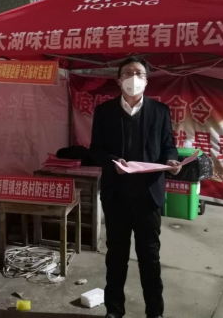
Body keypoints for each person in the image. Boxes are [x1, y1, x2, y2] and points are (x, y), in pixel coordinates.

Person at [90, 56, 181, 318]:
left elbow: (168, 145)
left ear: (146, 81)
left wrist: (171, 160)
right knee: (116, 256)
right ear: (118, 80)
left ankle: (155, 313)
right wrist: (112, 162)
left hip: (148, 197)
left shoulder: (160, 111)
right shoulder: (104, 111)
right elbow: (96, 151)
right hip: (116, 196)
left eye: (139, 73)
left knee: (149, 257)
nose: (133, 77)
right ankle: (114, 311)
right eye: (128, 73)